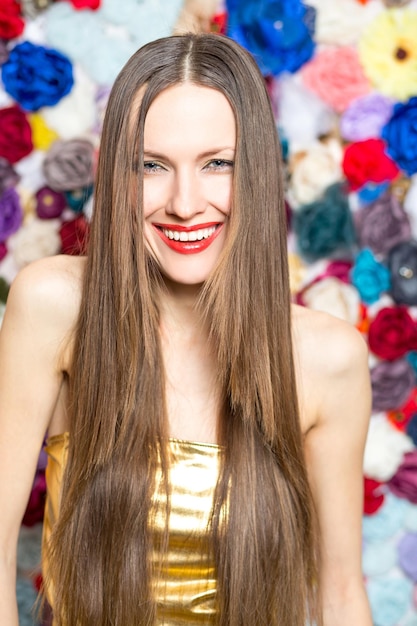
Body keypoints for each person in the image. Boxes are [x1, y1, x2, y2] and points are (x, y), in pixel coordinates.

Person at [0, 33, 373, 626]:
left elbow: (339, 598)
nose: (183, 202)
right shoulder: (55, 305)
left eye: (216, 164)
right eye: (151, 165)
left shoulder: (328, 359)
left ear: (253, 173)